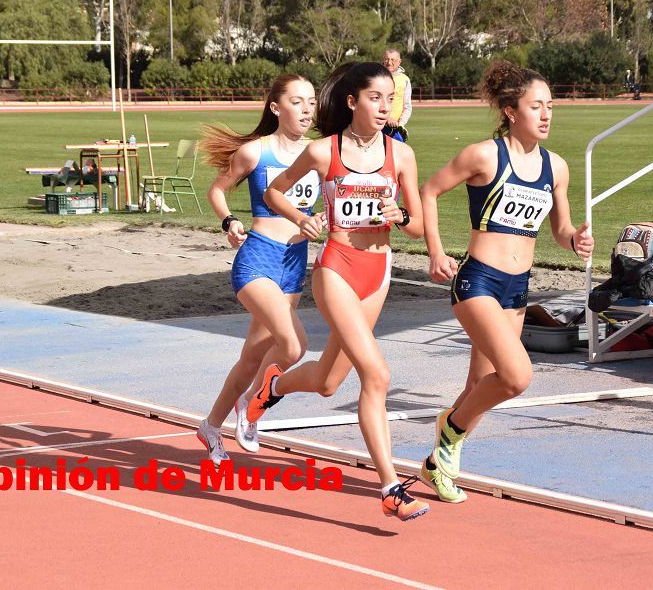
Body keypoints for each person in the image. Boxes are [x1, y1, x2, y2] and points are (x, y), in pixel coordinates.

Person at [247, 62, 430, 521]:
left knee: (329, 383)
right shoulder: (323, 151)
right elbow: (274, 193)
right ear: (353, 102)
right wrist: (302, 218)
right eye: (375, 98)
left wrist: (400, 216)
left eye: (391, 99)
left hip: (378, 272)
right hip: (337, 269)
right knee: (378, 375)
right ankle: (390, 487)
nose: (386, 107)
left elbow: (420, 227)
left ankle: (274, 385)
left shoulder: (401, 155)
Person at [417, 61, 594, 502]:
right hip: (477, 281)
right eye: (537, 106)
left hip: (517, 289)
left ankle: (436, 465)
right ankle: (449, 431)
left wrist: (576, 240)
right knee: (516, 377)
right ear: (512, 110)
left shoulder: (557, 167)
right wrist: (437, 252)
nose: (547, 114)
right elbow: (430, 190)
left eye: (550, 106)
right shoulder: (484, 155)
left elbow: (560, 229)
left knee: (478, 387)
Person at [197, 74, 321, 466]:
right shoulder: (255, 152)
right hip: (257, 258)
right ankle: (252, 403)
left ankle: (212, 425)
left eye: (311, 102)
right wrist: (229, 220)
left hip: (294, 264)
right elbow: (217, 189)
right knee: (295, 346)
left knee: (253, 357)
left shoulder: (317, 154)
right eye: (297, 101)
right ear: (275, 107)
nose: (306, 109)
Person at [382, 49, 411, 142]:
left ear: (399, 61)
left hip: (396, 131)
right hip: (376, 129)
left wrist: (401, 124)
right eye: (387, 59)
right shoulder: (376, 77)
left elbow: (407, 107)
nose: (389, 63)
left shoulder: (405, 80)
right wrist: (386, 118)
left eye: (393, 60)